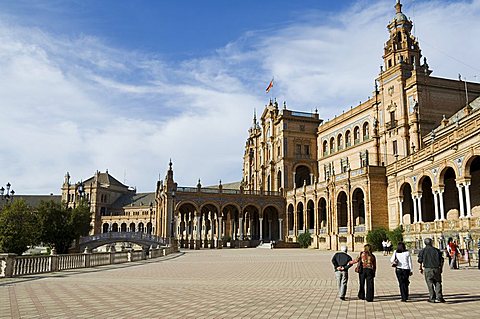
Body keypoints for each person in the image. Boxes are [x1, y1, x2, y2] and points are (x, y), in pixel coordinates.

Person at [418, 238, 445, 303]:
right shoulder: (437, 250)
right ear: (431, 243)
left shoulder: (423, 251)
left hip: (427, 269)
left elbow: (420, 261)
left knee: (429, 283)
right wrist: (441, 268)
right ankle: (439, 297)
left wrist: (420, 268)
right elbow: (442, 260)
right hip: (436, 268)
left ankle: (432, 297)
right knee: (438, 282)